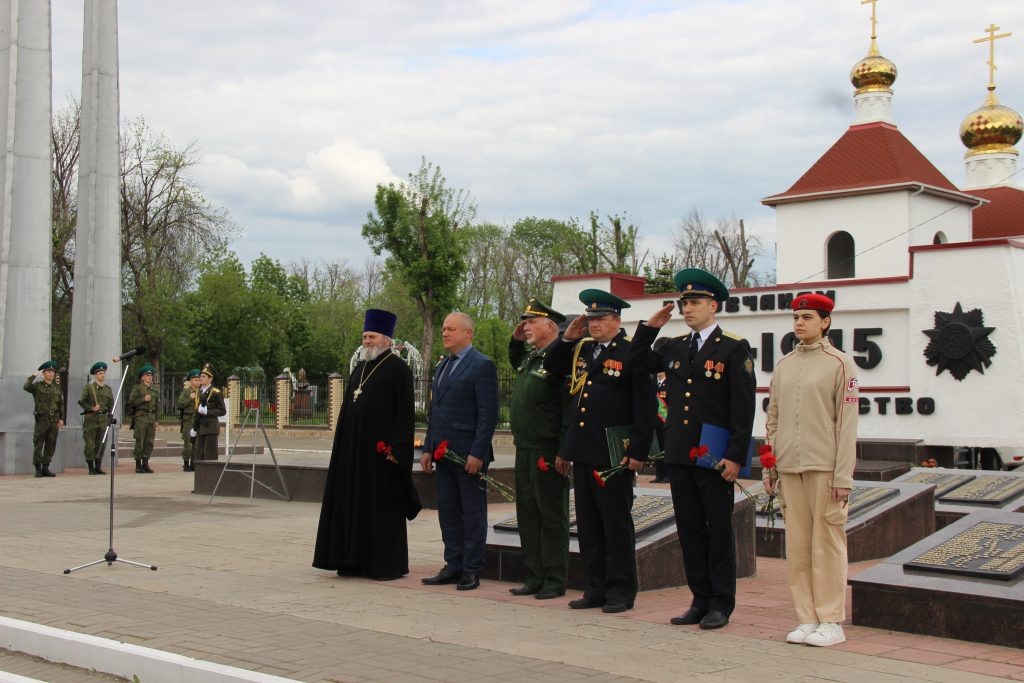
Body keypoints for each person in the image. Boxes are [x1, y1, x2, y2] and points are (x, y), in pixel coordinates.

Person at [626, 269, 756, 630]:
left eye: (695, 302)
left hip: (714, 456)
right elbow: (634, 365)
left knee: (717, 531)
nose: (688, 308)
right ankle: (699, 599)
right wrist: (650, 328)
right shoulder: (673, 346)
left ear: (713, 306)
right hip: (681, 454)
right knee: (690, 530)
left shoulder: (733, 347)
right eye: (684, 302)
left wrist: (735, 456)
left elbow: (743, 408)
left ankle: (720, 602)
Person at [543, 289, 657, 614]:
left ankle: (620, 591)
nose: (594, 324)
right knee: (589, 526)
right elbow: (552, 367)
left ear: (617, 321)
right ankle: (595, 587)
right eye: (591, 319)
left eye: (601, 319)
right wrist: (567, 338)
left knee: (615, 525)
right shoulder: (584, 350)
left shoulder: (631, 351)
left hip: (613, 454)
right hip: (584, 451)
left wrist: (637, 451)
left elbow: (645, 407)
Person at [764, 293, 859, 647]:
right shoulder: (785, 365)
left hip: (826, 467)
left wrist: (843, 475)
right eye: (796, 317)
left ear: (825, 321)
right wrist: (769, 466)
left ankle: (831, 620)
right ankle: (806, 618)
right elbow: (772, 419)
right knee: (799, 545)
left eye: (807, 317)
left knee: (828, 543)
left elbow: (847, 424)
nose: (800, 323)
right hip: (789, 467)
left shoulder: (840, 364)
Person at [313, 309, 420, 580]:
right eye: (364, 337)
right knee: (352, 504)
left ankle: (382, 564)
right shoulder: (359, 369)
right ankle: (351, 559)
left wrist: (397, 449)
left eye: (371, 336)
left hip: (380, 456)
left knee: (378, 508)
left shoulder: (399, 371)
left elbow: (404, 414)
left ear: (386, 339)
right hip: (352, 454)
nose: (367, 342)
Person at [420, 312, 499, 592]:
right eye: (443, 328)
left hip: (469, 456)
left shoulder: (482, 365)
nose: (444, 333)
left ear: (468, 333)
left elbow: (488, 415)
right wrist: (428, 448)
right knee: (448, 512)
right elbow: (435, 412)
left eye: (451, 329)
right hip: (443, 454)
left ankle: (472, 569)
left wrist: (478, 452)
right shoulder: (443, 367)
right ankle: (452, 564)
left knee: (472, 513)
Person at [507, 298, 571, 600]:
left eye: (532, 322)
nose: (526, 326)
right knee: (528, 515)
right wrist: (516, 340)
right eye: (525, 322)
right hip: (524, 448)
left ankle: (555, 579)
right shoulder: (532, 358)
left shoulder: (558, 360)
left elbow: (566, 410)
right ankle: (534, 576)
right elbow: (514, 359)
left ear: (551, 326)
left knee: (550, 516)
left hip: (546, 450)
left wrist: (562, 451)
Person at [23, 360, 65, 478]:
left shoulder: (57, 387)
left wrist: (62, 418)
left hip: (54, 419)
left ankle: (46, 467)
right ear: (44, 373)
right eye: (48, 371)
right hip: (42, 419)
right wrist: (33, 375)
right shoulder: (38, 386)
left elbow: (61, 403)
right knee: (38, 444)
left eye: (52, 371)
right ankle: (38, 468)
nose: (51, 374)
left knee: (51, 444)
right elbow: (26, 387)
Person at [78, 361, 113, 475]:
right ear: (95, 375)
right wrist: (92, 408)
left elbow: (111, 404)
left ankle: (98, 466)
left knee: (101, 444)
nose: (102, 375)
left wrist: (110, 416)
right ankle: (91, 467)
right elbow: (82, 402)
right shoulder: (89, 388)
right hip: (91, 420)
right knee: (90, 444)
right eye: (100, 373)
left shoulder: (108, 389)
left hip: (103, 420)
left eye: (104, 373)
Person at [190, 364, 226, 462]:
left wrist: (207, 412)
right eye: (200, 376)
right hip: (201, 427)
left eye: (203, 377)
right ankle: (202, 476)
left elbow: (222, 411)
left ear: (210, 379)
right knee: (200, 454)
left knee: (210, 455)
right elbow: (196, 412)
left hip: (211, 427)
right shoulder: (199, 392)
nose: (200, 378)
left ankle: (211, 476)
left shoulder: (216, 392)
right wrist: (194, 427)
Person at [128, 365, 159, 473]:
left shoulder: (154, 390)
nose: (150, 377)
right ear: (142, 377)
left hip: (151, 418)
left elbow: (157, 406)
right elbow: (131, 402)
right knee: (140, 441)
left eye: (151, 375)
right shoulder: (137, 388)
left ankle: (145, 462)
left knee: (149, 442)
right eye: (147, 375)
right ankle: (138, 464)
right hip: (141, 417)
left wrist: (156, 420)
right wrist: (143, 399)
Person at [177, 369, 201, 471]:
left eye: (199, 379)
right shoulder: (186, 392)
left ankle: (194, 463)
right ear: (191, 381)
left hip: (198, 420)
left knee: (196, 443)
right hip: (188, 420)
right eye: (196, 380)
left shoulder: (202, 392)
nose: (198, 381)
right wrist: (190, 398)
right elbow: (179, 404)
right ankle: (186, 462)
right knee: (188, 443)